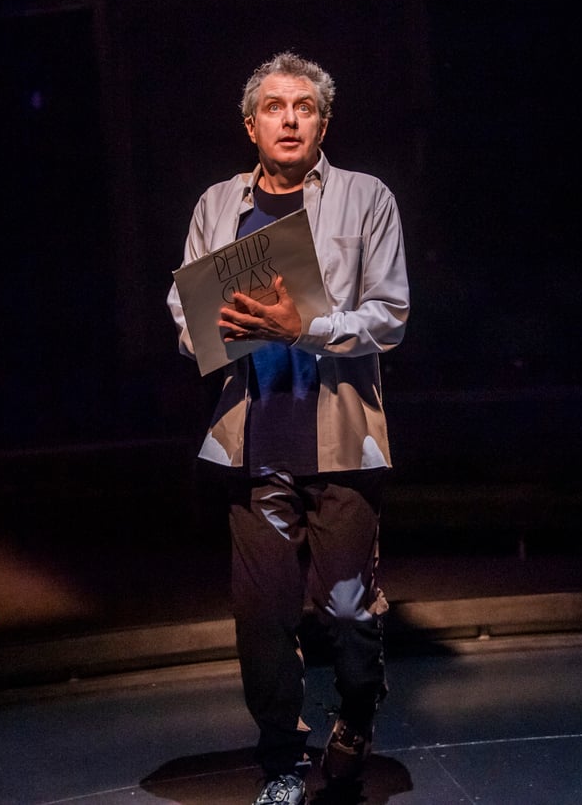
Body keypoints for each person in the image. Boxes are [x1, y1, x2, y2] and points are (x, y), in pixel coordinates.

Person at [167, 51, 409, 805]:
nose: (291, 117)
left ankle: (356, 721)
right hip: (252, 442)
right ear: (252, 125)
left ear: (324, 122)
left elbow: (390, 314)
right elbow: (185, 316)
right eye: (275, 106)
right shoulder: (218, 204)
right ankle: (280, 761)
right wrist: (223, 324)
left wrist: (304, 326)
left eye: (304, 106)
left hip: (342, 439)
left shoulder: (367, 198)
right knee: (264, 620)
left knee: (343, 610)